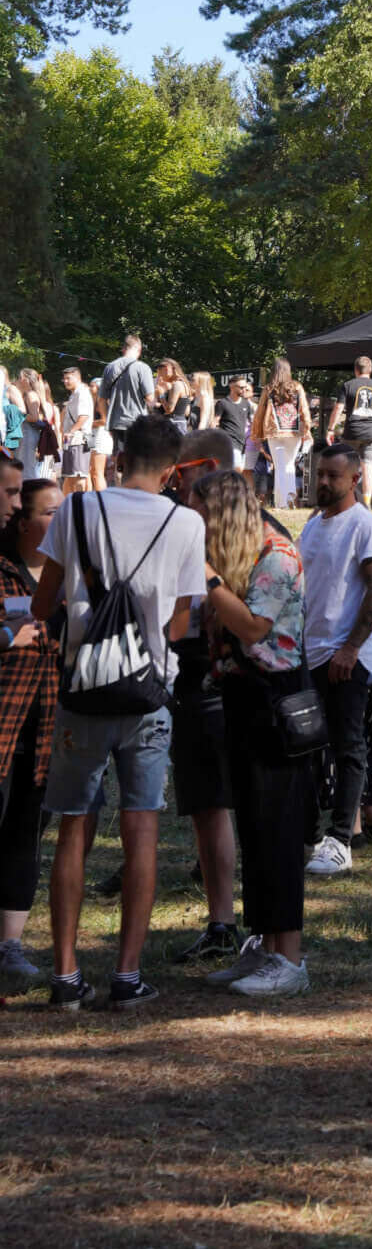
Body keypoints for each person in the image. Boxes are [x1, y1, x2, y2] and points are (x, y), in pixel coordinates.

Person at [32, 415, 207, 1011]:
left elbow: (42, 599)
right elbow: (181, 624)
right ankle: (128, 974)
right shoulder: (185, 522)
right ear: (172, 466)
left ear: (123, 454)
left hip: (82, 690)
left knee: (72, 827)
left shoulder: (76, 511)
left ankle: (65, 973)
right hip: (147, 695)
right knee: (143, 830)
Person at [196, 472, 317, 998]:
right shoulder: (239, 556)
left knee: (280, 832)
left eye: (196, 509)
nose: (189, 519)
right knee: (255, 829)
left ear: (219, 512)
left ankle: (289, 959)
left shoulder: (276, 553)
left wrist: (208, 581)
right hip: (246, 699)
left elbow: (252, 628)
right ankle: (267, 948)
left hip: (278, 703)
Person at [161, 431, 246, 963]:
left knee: (215, 805)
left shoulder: (202, 537)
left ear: (210, 468)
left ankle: (227, 922)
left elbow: (179, 623)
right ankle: (234, 921)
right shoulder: (261, 527)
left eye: (184, 473)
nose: (177, 484)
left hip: (211, 682)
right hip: (225, 683)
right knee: (217, 807)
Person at [296, 444, 372, 876]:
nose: (323, 482)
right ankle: (311, 834)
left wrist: (351, 648)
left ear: (355, 479)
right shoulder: (312, 527)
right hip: (309, 655)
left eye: (333, 476)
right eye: (320, 474)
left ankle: (340, 840)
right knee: (307, 749)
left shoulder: (366, 526)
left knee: (349, 747)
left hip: (346, 659)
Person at [0, 477, 62, 997]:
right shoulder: (2, 571)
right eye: (49, 512)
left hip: (45, 730)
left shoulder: (69, 582)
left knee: (26, 831)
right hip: (3, 721)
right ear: (24, 523)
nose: (58, 521)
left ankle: (10, 945)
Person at [327, 355, 372, 506]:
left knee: (346, 466)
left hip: (352, 431)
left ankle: (345, 499)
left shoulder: (347, 385)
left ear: (355, 370)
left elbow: (338, 408)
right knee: (368, 466)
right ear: (371, 370)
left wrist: (330, 429)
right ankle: (366, 502)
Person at [253, 361, 312, 509]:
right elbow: (304, 409)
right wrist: (307, 429)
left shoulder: (269, 389)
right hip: (294, 432)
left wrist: (256, 433)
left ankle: (281, 502)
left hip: (275, 432)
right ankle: (290, 498)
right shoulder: (297, 387)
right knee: (290, 465)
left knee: (279, 467)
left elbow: (260, 412)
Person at [98, 335, 154, 445]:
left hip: (116, 423)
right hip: (137, 423)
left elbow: (101, 400)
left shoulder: (109, 367)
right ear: (139, 350)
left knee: (120, 459)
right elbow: (150, 398)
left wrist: (106, 421)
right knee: (137, 459)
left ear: (124, 349)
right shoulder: (143, 368)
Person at [59, 366, 94, 485]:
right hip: (72, 439)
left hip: (79, 439)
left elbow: (84, 416)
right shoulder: (74, 394)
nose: (65, 381)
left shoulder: (82, 393)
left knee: (80, 476)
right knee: (71, 476)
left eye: (68, 378)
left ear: (77, 378)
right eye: (64, 379)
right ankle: (73, 502)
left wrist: (71, 432)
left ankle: (81, 503)